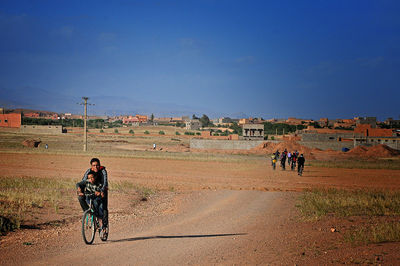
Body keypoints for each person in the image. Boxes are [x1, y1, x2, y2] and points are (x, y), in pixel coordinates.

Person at [77, 158, 108, 226]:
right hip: (91, 191)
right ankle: (88, 212)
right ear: (91, 166)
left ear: (99, 165)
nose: (95, 167)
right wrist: (80, 190)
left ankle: (104, 226)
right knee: (80, 198)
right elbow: (84, 181)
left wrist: (101, 191)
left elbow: (104, 182)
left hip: (101, 189)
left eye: (97, 165)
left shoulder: (103, 171)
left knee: (103, 207)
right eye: (94, 165)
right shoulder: (89, 171)